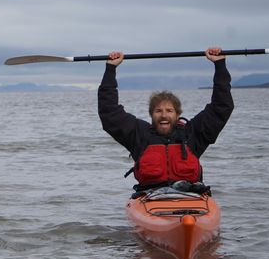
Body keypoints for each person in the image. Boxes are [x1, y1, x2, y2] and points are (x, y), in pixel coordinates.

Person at [98, 47, 234, 193]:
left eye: (169, 111)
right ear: (151, 115)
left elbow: (221, 107)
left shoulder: (193, 134)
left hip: (190, 198)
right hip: (150, 198)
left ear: (177, 114)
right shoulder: (138, 135)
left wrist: (220, 65)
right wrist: (110, 69)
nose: (163, 115)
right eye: (158, 111)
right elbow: (109, 112)